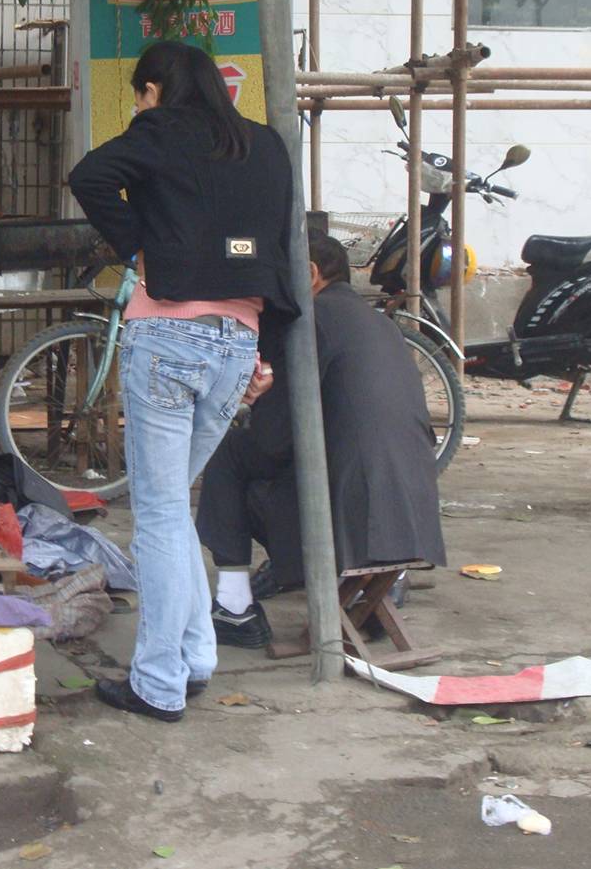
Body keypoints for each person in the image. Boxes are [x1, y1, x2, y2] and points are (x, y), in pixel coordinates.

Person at [67, 40, 297, 722]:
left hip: (167, 335)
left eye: (140, 93)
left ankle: (158, 681)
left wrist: (141, 241)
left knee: (161, 515)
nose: (139, 105)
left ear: (155, 90)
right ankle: (195, 656)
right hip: (239, 341)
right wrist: (265, 354)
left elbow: (88, 176)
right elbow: (282, 249)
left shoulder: (161, 129)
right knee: (173, 506)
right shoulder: (266, 146)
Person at [195, 233, 448, 646]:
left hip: (354, 521)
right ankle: (389, 580)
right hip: (411, 520)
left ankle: (234, 607)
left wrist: (255, 403)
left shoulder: (309, 323)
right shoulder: (379, 323)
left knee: (229, 454)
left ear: (310, 274)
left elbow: (271, 443)